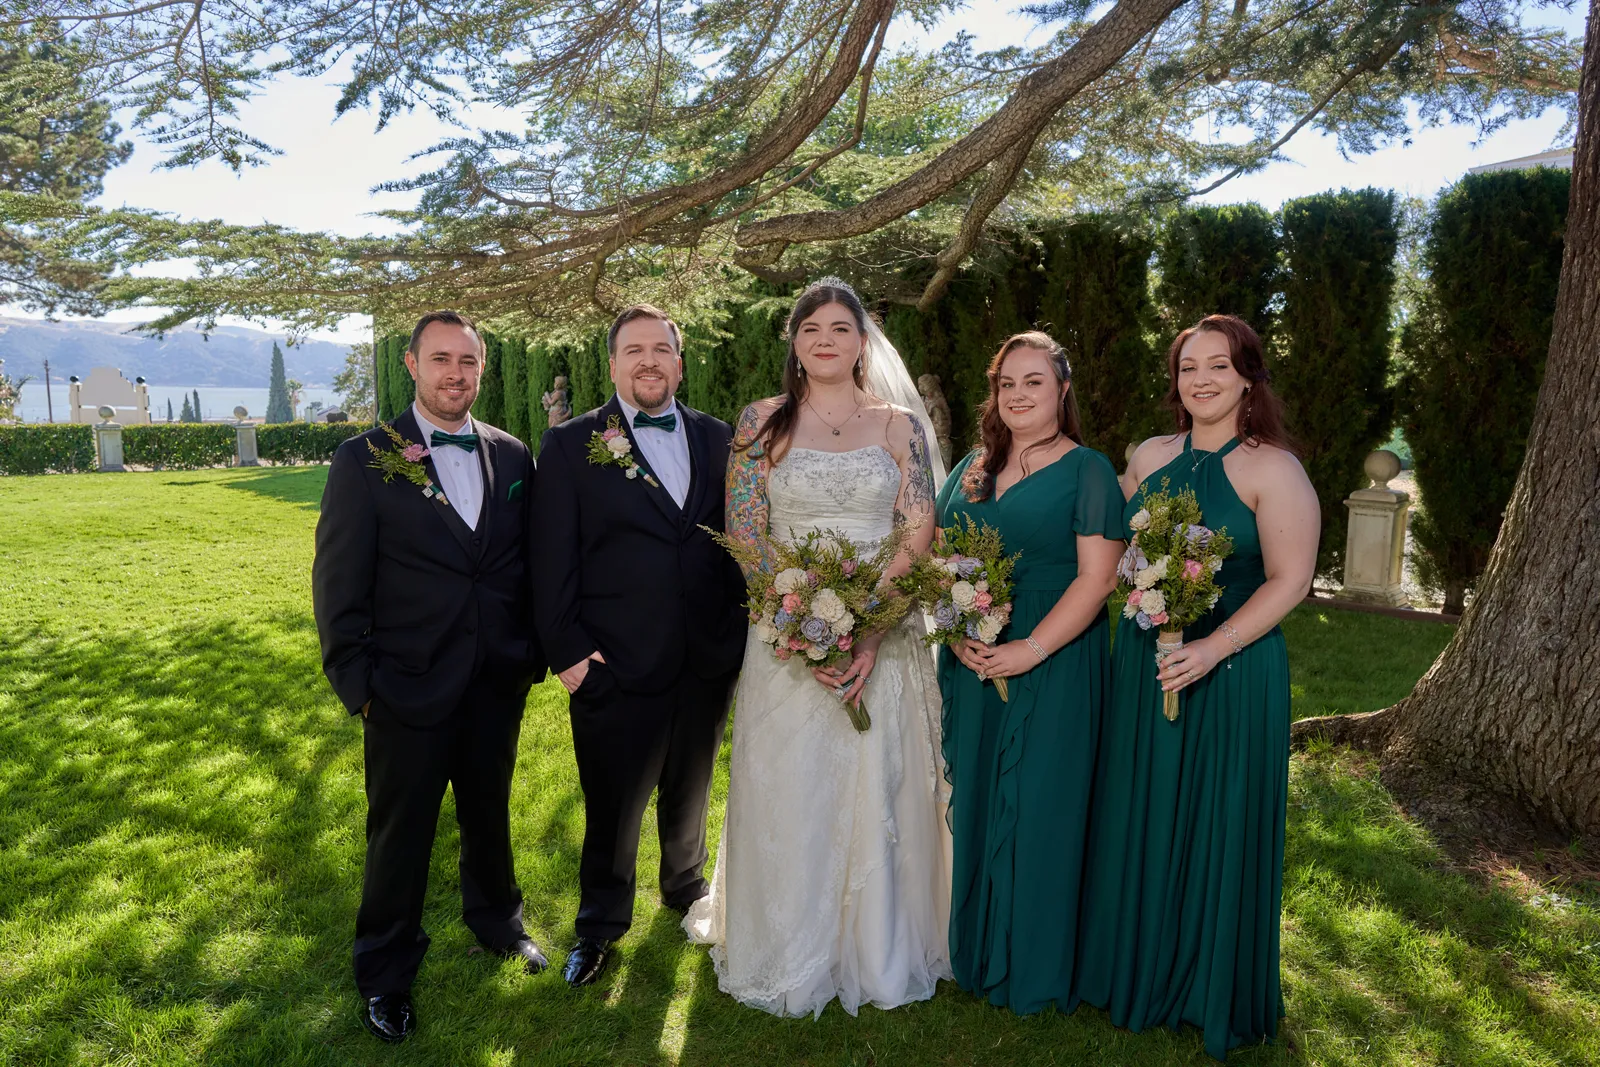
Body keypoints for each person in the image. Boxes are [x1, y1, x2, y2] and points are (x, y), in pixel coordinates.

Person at [683, 277, 953, 1018]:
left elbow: (916, 529)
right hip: (784, 634)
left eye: (841, 327)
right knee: (790, 781)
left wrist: (865, 626)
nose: (826, 339)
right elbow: (744, 529)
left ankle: (878, 943)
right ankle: (787, 941)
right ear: (794, 345)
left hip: (883, 632)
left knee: (883, 778)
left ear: (864, 342)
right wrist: (800, 620)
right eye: (811, 329)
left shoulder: (901, 426)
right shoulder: (760, 422)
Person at [1076, 314, 1318, 1059]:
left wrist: (1214, 646)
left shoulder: (1272, 468)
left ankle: (1208, 985)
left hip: (1235, 667)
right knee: (1141, 810)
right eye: (1188, 367)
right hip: (1149, 663)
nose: (1202, 379)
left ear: (1248, 376)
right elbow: (1108, 540)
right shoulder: (1148, 455)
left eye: (1218, 365)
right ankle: (1136, 971)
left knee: (1217, 817)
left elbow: (1292, 580)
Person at [312, 310, 548, 1045]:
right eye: (441, 359)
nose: (456, 374)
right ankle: (385, 971)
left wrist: (525, 654)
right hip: (404, 687)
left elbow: (521, 567)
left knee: (490, 813)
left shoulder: (512, 456)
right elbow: (337, 581)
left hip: (492, 682)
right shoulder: (365, 458)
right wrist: (361, 685)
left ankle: (499, 923)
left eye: (469, 361)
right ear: (412, 365)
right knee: (399, 835)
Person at [530, 304, 749, 988]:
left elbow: (740, 543)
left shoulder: (719, 439)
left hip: (705, 658)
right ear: (614, 362)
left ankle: (685, 888)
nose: (649, 360)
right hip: (613, 664)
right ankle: (598, 925)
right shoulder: (571, 444)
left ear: (680, 363)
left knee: (691, 788)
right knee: (613, 804)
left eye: (662, 349)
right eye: (635, 350)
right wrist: (568, 652)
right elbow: (549, 558)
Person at [934, 332, 1123, 1015]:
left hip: (1055, 656)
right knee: (983, 793)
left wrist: (1031, 648)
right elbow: (940, 557)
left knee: (1043, 804)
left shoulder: (1088, 471)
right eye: (1006, 382)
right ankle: (979, 951)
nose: (1017, 394)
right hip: (975, 658)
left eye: (1033, 381)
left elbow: (1099, 579)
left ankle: (1036, 965)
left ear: (1062, 391)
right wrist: (959, 631)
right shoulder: (971, 469)